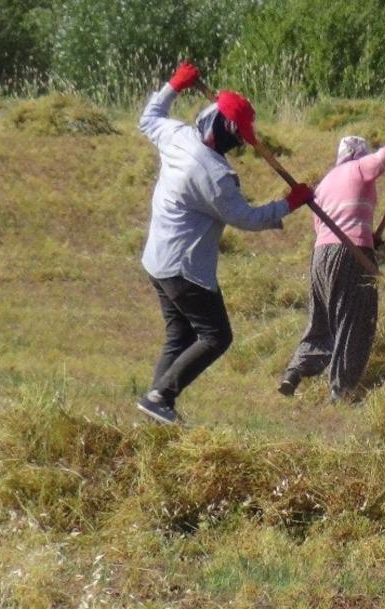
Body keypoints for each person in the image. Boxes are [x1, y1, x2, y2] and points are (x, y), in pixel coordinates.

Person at [136, 62, 314, 424]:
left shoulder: (176, 136)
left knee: (180, 333)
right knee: (216, 335)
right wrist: (289, 204)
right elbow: (245, 218)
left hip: (157, 259)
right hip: (184, 269)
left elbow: (149, 118)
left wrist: (174, 85)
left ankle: (156, 406)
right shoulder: (214, 175)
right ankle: (161, 396)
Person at [278, 135, 385, 402]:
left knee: (322, 320)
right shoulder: (358, 168)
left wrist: (369, 238)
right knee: (356, 321)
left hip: (321, 256)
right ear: (360, 153)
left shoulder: (325, 183)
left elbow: (324, 225)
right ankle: (341, 391)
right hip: (350, 254)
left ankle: (295, 371)